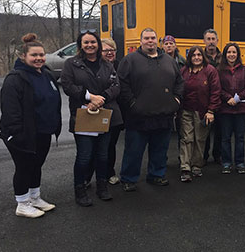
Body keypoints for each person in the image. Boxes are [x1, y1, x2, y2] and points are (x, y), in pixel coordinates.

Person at [0, 33, 61, 218]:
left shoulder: (46, 75)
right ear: (23, 56)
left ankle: (35, 197)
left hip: (43, 132)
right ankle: (22, 203)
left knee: (36, 166)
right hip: (23, 134)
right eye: (34, 55)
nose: (39, 58)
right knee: (24, 167)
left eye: (41, 55)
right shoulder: (15, 79)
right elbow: (10, 111)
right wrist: (17, 134)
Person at [117, 28, 184, 192]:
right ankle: (129, 178)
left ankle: (156, 175)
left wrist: (176, 100)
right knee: (134, 151)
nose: (150, 41)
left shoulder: (169, 61)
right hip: (138, 116)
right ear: (141, 41)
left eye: (153, 38)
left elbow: (180, 82)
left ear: (157, 41)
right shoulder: (130, 60)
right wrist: (132, 104)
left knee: (160, 150)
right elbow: (122, 84)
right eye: (146, 38)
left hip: (164, 116)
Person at [61, 30, 121, 206]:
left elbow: (116, 86)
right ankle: (80, 190)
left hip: (103, 114)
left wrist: (101, 98)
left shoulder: (107, 65)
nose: (90, 45)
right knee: (84, 156)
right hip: (82, 114)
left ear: (98, 44)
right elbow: (67, 85)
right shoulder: (71, 64)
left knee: (103, 155)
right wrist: (88, 97)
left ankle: (102, 187)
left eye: (93, 42)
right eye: (86, 42)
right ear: (81, 45)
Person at [179, 46, 221, 182]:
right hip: (186, 110)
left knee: (200, 139)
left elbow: (215, 91)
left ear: (203, 57)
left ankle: (196, 165)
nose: (196, 57)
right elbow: (178, 88)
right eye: (193, 55)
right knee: (187, 138)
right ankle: (185, 167)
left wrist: (211, 110)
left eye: (199, 55)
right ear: (189, 57)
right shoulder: (184, 71)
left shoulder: (210, 71)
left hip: (203, 111)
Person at [217, 42, 245, 174]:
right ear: (225, 55)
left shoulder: (244, 70)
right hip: (225, 109)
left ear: (237, 54)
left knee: (240, 137)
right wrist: (228, 98)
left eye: (234, 52)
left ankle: (240, 162)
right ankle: (226, 163)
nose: (231, 55)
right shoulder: (219, 71)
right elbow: (217, 88)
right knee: (225, 137)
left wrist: (238, 97)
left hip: (241, 109)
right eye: (229, 52)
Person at [101, 38, 123, 185]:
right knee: (97, 146)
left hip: (117, 113)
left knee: (111, 145)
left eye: (112, 50)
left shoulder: (121, 65)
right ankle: (92, 175)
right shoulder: (96, 67)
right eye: (106, 50)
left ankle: (109, 172)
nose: (109, 53)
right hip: (100, 110)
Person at [202, 28, 222, 164]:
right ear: (204, 41)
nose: (211, 42)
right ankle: (203, 156)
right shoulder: (199, 57)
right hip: (205, 99)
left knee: (220, 131)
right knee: (205, 131)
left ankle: (218, 156)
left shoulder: (223, 57)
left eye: (213, 39)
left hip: (221, 99)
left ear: (217, 40)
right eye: (208, 39)